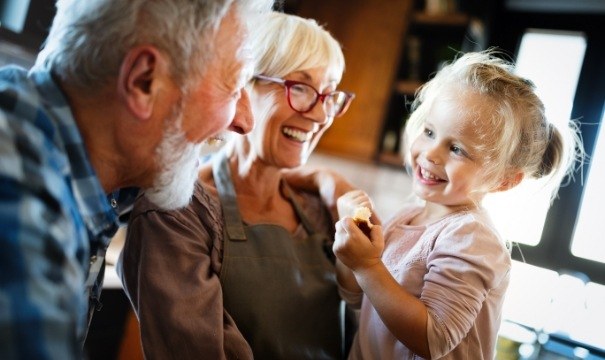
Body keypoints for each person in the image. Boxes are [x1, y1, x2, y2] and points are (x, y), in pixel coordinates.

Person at [0, 0, 272, 358]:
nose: (245, 122)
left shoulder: (84, 167)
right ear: (145, 81)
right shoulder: (21, 203)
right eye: (234, 86)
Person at [118, 12, 356, 359]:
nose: (320, 115)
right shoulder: (177, 210)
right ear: (243, 84)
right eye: (300, 88)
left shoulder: (324, 209)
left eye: (330, 96)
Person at [333, 50, 582, 359]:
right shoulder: (406, 216)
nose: (431, 154)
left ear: (503, 180)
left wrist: (368, 266)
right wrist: (350, 251)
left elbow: (434, 339)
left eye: (457, 149)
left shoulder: (472, 238)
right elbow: (356, 296)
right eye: (429, 132)